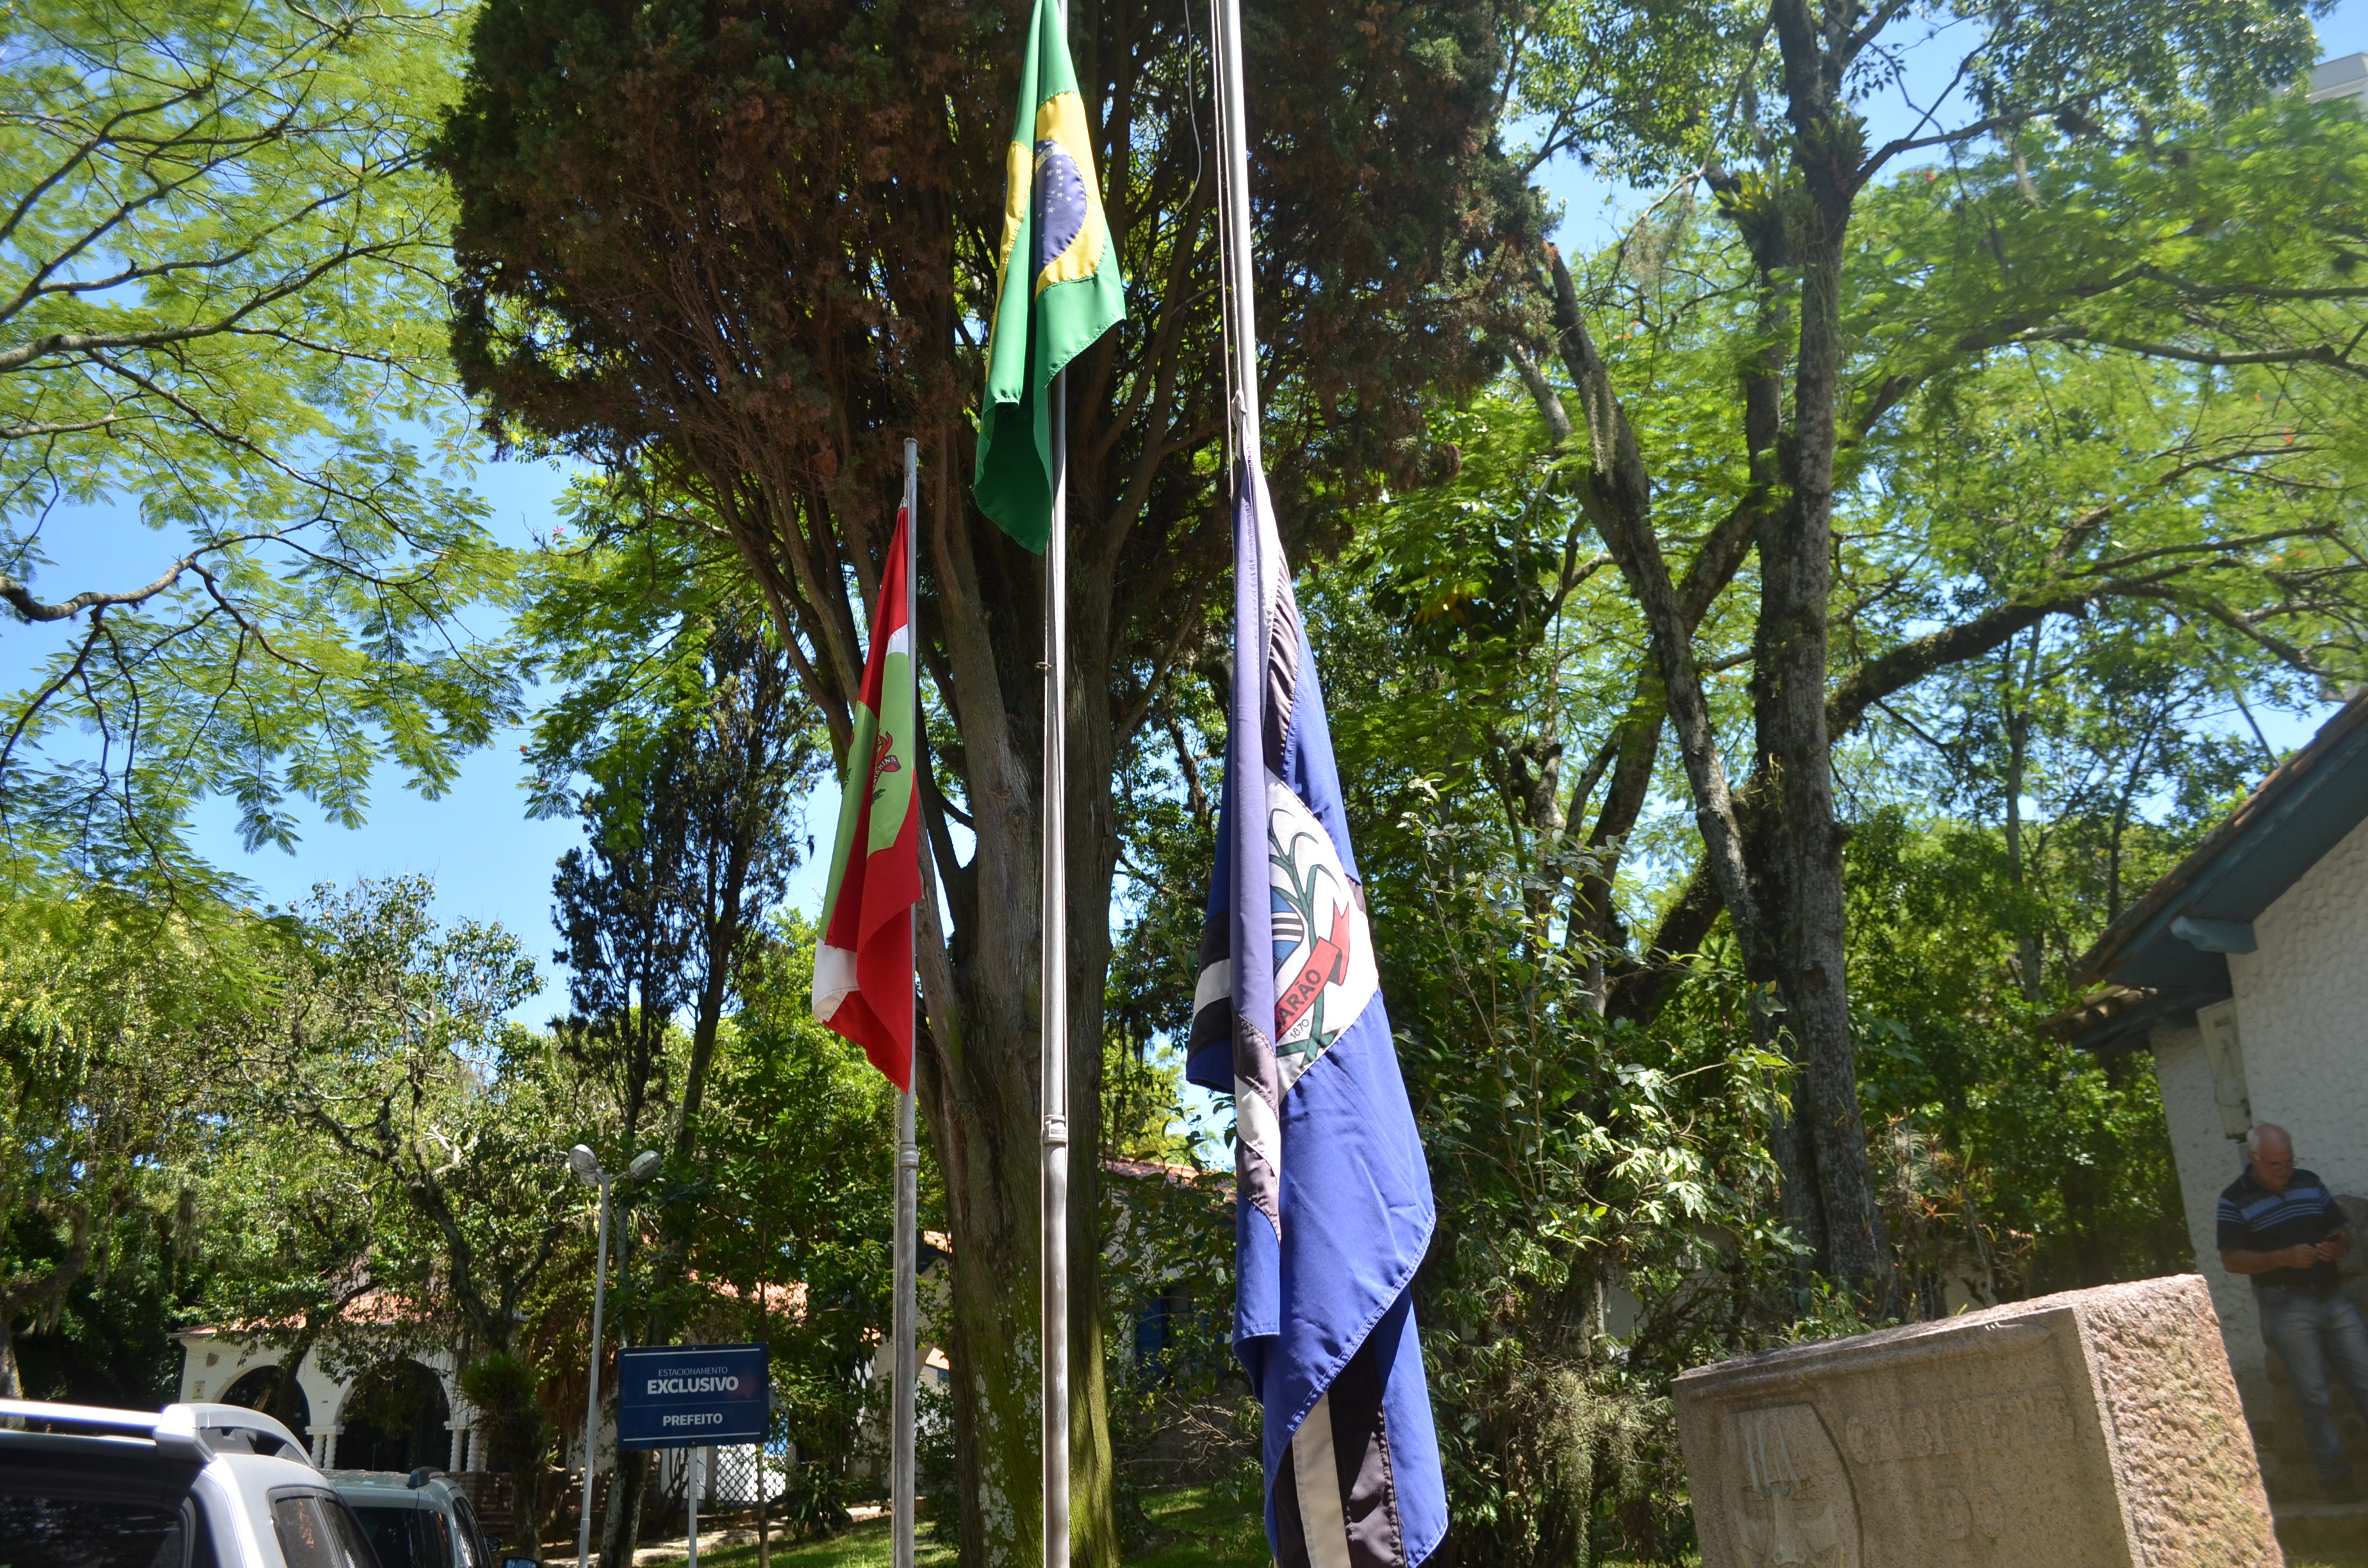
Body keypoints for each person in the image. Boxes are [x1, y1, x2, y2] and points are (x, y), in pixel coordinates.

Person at [2220, 1122, 2368, 1502]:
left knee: (2365, 1380)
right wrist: (2282, 1258)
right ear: (2254, 1159)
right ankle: (2336, 1480)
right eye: (2275, 1164)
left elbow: (2340, 1229)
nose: (2285, 1170)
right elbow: (2232, 1260)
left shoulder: (2309, 1181)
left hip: (2332, 1294)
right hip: (2285, 1303)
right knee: (2314, 1394)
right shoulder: (2234, 1199)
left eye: (2288, 1161)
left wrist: (2338, 1246)